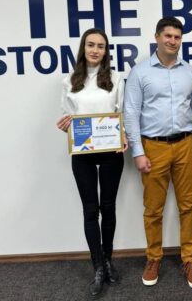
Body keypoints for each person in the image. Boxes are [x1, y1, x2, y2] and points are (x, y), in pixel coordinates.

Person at [123, 16, 192, 289]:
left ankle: (190, 259)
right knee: (153, 209)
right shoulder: (140, 72)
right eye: (168, 36)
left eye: (177, 37)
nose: (173, 41)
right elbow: (131, 113)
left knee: (189, 206)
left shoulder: (190, 73)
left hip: (186, 145)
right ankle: (153, 258)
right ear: (157, 37)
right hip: (153, 147)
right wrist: (138, 151)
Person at [56, 28, 127, 298]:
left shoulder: (116, 79)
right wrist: (65, 125)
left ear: (106, 51)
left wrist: (123, 135)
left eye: (100, 46)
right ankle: (97, 266)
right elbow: (67, 116)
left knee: (108, 208)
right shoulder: (69, 81)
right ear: (83, 48)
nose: (95, 50)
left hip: (111, 151)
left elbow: (121, 113)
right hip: (83, 153)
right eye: (90, 45)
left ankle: (108, 260)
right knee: (90, 211)